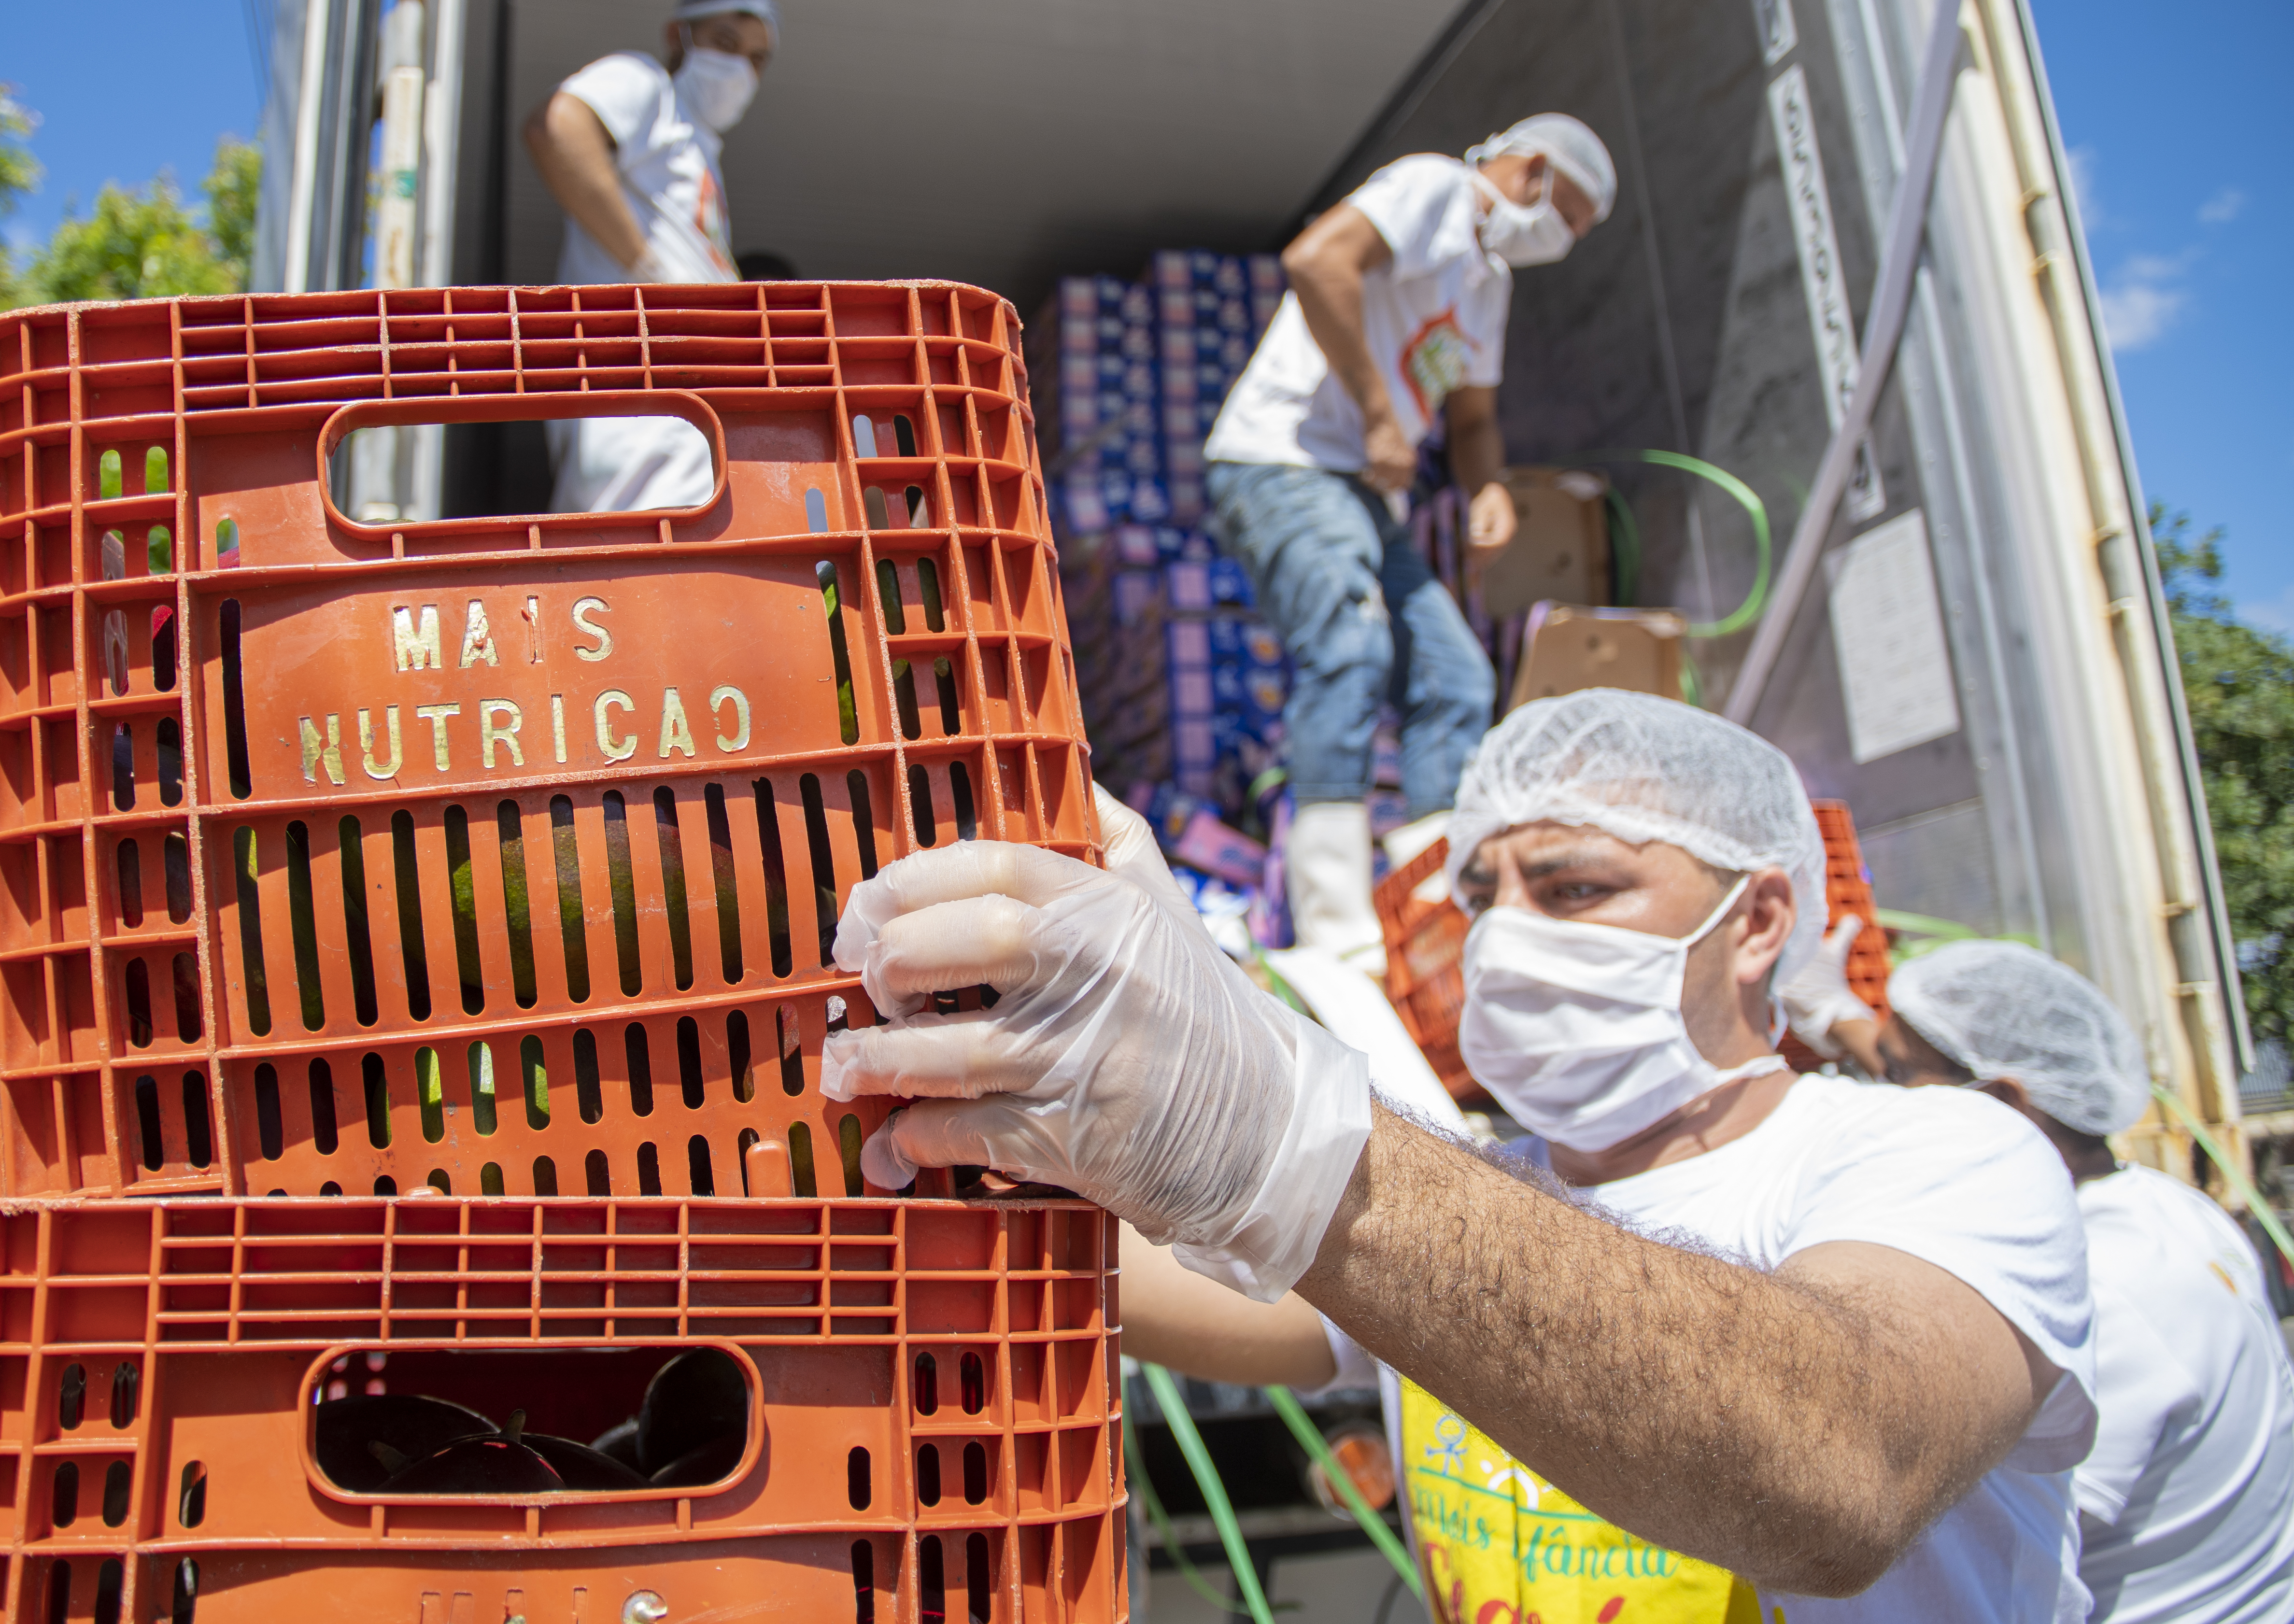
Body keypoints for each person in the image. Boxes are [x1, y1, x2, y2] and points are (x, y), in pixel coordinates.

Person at [823, 690, 2097, 1619]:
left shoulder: (1941, 1155)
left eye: (1576, 887)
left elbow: (1846, 1472)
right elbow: (1125, 1283)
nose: (1507, 940)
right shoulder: (1489, 1192)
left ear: (1758, 918)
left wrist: (1275, 1119)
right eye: (1485, 898)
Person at [1201, 113, 1614, 972]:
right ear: (1528, 169)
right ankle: (1335, 934)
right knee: (1348, 651)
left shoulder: (1487, 283)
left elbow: (1472, 417)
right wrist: (1382, 415)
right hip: (1283, 460)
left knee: (1454, 676)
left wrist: (1487, 487)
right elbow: (1317, 261)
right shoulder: (1433, 189)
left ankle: (1433, 905)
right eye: (1565, 216)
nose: (1562, 241)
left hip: (1359, 488)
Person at [1809, 940, 2292, 1623]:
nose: (1876, 1104)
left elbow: (1939, 1540)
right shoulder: (2171, 1207)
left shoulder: (2091, 1295)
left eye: (1891, 1076)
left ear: (2005, 1101)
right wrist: (1834, 1013)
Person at [521, 0, 778, 513]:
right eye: (726, 44)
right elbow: (558, 127)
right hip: (640, 418)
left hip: (681, 423)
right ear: (677, 35)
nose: (740, 69)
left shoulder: (698, 148)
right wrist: (645, 267)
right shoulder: (646, 87)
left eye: (758, 59)